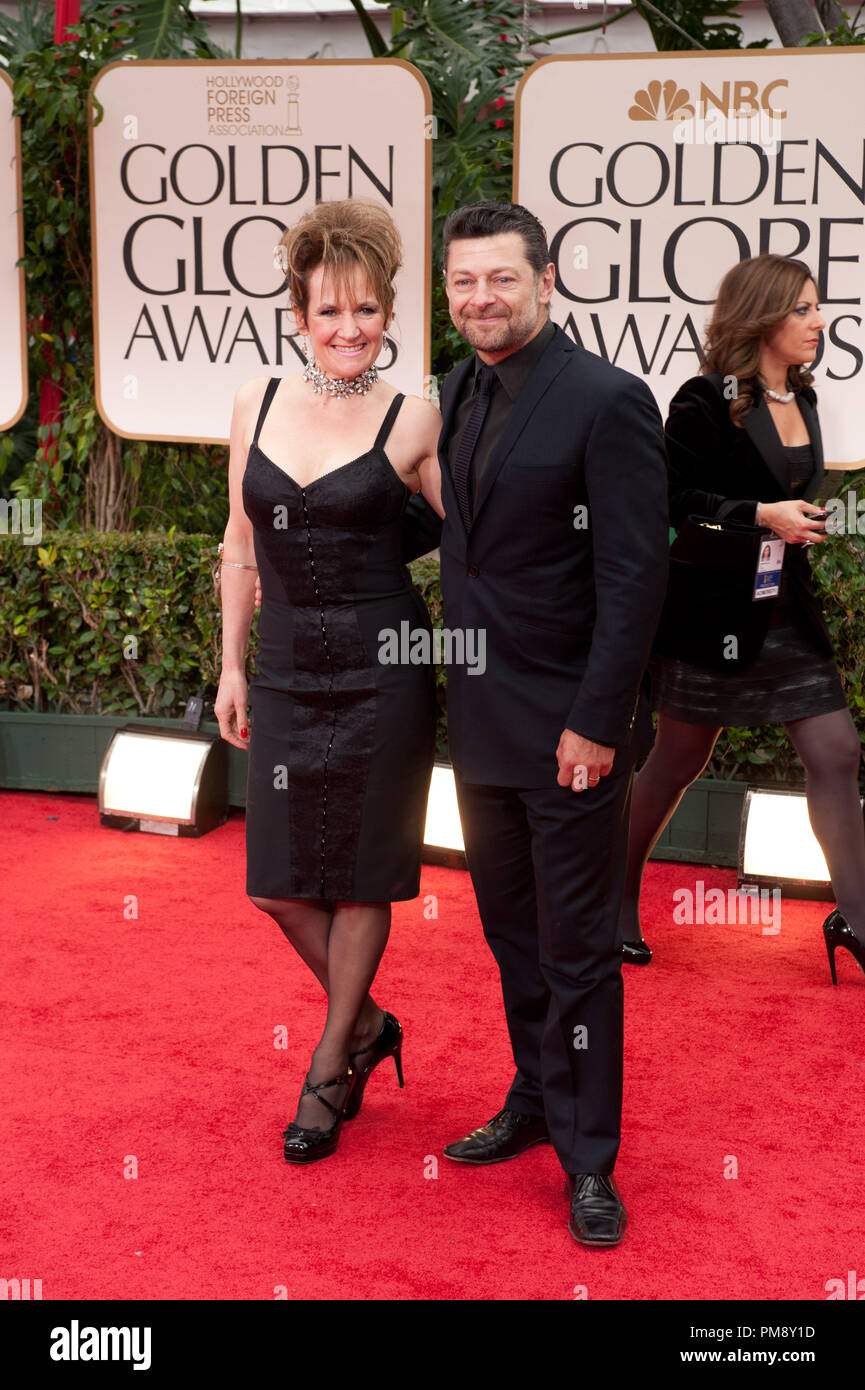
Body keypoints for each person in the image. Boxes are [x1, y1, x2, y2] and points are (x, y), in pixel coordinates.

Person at [432, 202, 670, 1247]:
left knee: (578, 952)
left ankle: (589, 1159)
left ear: (547, 278)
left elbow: (633, 576)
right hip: (480, 716)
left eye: (499, 280)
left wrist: (597, 722)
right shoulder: (458, 387)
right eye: (463, 283)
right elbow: (468, 543)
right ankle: (534, 1096)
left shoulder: (608, 400)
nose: (480, 299)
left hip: (570, 729)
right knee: (509, 933)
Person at [215, 197, 443, 1164]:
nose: (348, 330)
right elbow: (237, 542)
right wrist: (230, 661)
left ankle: (326, 1067)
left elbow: (478, 544)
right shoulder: (257, 401)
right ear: (297, 317)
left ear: (388, 313)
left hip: (386, 670)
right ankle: (368, 1023)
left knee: (359, 880)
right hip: (283, 672)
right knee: (277, 886)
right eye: (327, 313)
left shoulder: (416, 413)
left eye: (366, 312)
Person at [618, 254, 865, 986]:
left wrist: (791, 525)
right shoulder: (703, 399)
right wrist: (759, 515)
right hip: (708, 614)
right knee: (675, 763)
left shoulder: (808, 396)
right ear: (760, 317)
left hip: (784, 608)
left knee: (835, 751)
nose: (817, 322)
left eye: (817, 308)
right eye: (801, 310)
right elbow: (670, 501)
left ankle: (854, 915)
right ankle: (609, 894)